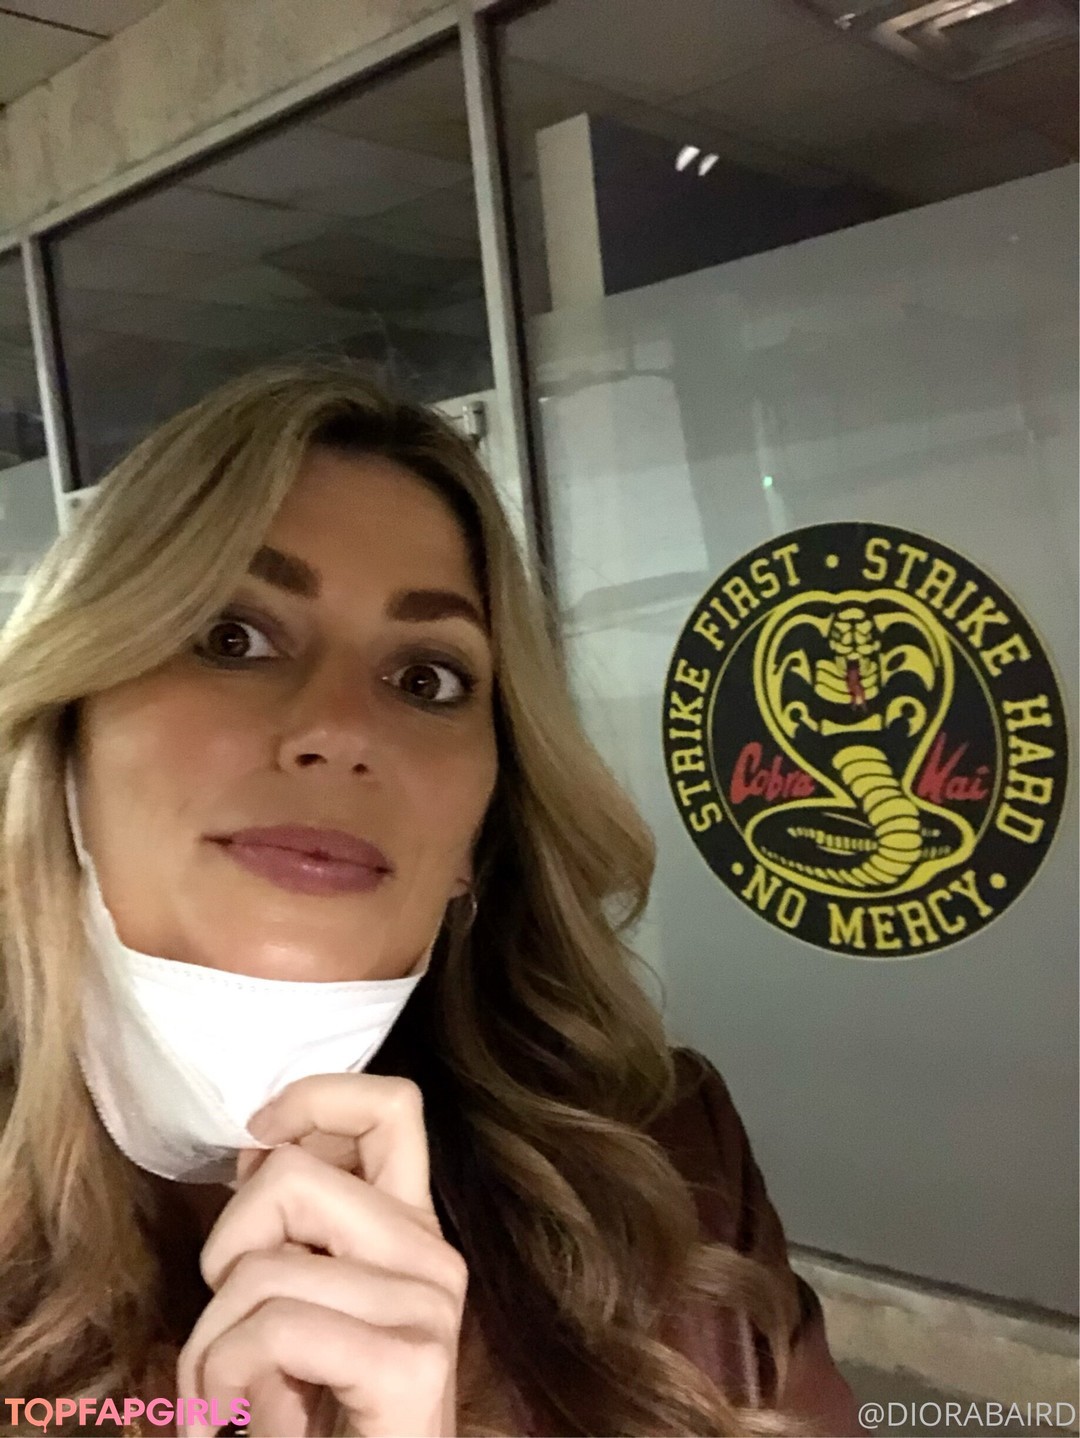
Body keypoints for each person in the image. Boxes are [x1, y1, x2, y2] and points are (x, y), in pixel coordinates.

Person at [0, 363, 864, 1438]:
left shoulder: (667, 1179)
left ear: (474, 839)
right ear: (67, 741)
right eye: (233, 637)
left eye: (427, 680)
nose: (341, 729)